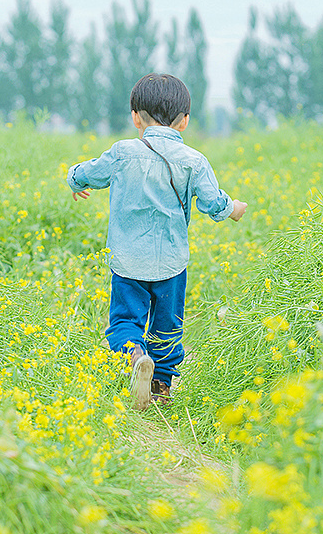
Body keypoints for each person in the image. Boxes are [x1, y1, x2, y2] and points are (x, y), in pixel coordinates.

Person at [66, 73, 248, 410]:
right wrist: (233, 209)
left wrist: (74, 181)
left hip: (127, 262)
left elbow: (86, 172)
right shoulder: (194, 161)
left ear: (135, 116)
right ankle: (161, 388)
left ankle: (135, 354)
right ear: (185, 121)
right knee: (167, 328)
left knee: (124, 322)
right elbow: (213, 203)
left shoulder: (122, 153)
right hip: (171, 264)